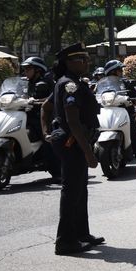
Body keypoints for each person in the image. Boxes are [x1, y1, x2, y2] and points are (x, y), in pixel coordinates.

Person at [49, 43, 103, 255]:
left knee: (80, 190)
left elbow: (46, 107)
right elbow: (73, 121)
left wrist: (47, 130)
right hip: (73, 142)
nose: (87, 62)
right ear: (69, 62)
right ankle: (65, 241)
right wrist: (88, 152)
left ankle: (81, 233)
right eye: (83, 59)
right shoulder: (69, 84)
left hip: (75, 141)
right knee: (72, 191)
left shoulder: (72, 82)